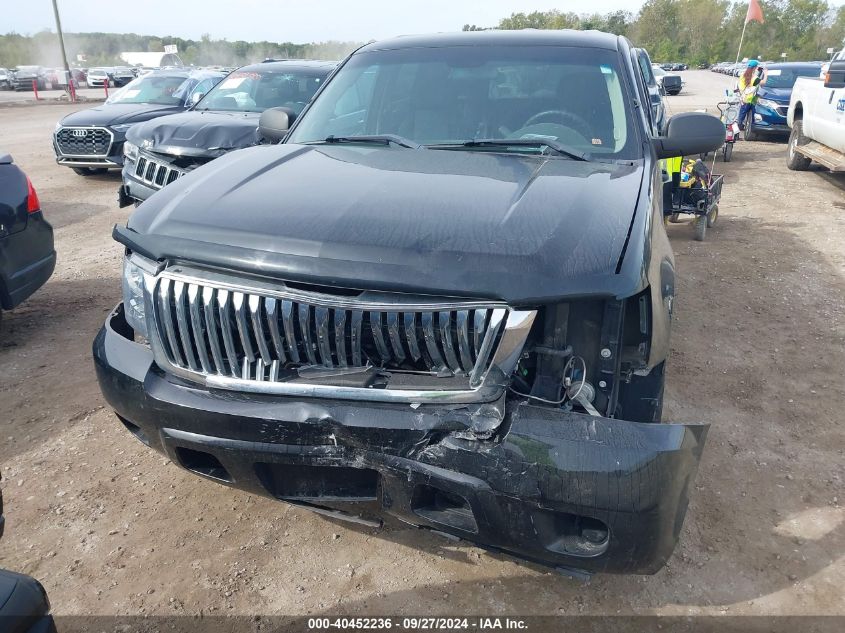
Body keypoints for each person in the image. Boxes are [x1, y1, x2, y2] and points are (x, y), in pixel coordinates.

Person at [737, 59, 767, 131]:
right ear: (754, 68)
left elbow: (739, 86)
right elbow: (763, 83)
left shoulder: (742, 76)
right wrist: (766, 74)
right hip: (752, 101)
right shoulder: (754, 78)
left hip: (743, 100)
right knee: (752, 119)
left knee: (740, 118)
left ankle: (736, 133)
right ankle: (749, 130)